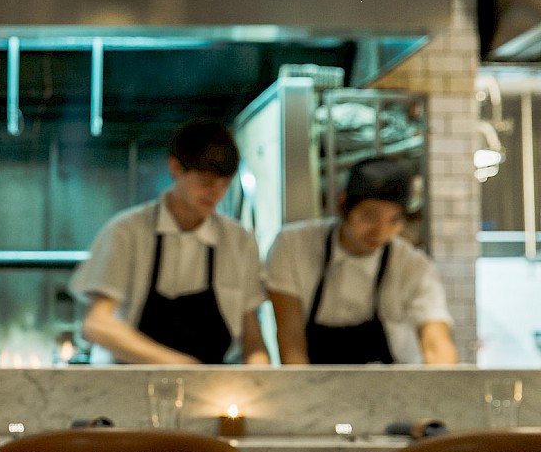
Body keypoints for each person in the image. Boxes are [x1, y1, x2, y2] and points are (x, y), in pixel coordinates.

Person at [70, 120, 269, 364]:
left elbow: (252, 338)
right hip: (129, 383)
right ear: (175, 167)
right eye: (205, 182)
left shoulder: (239, 242)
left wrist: (259, 383)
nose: (215, 193)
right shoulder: (126, 232)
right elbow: (97, 324)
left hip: (213, 389)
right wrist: (180, 366)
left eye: (224, 184)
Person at [264, 156, 458, 365]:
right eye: (370, 216)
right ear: (343, 205)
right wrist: (303, 394)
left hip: (392, 388)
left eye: (393, 220)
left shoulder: (413, 265)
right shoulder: (293, 246)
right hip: (313, 383)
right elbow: (290, 339)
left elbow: (436, 343)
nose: (380, 231)